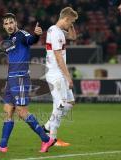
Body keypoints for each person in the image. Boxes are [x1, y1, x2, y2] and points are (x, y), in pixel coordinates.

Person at [0, 13, 54, 153]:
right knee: (7, 111)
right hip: (11, 78)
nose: (9, 25)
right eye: (6, 24)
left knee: (22, 112)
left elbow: (31, 40)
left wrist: (36, 35)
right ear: (3, 26)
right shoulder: (8, 41)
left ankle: (47, 140)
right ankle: (3, 145)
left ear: (15, 23)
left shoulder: (22, 34)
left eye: (11, 22)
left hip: (20, 77)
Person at [43, 7, 78, 147]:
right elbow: (58, 57)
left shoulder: (57, 30)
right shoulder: (56, 32)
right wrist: (68, 77)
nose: (71, 25)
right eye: (71, 22)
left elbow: (73, 37)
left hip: (59, 74)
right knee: (61, 105)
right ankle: (52, 138)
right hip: (56, 74)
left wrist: (72, 23)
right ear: (65, 19)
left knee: (69, 103)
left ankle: (46, 127)